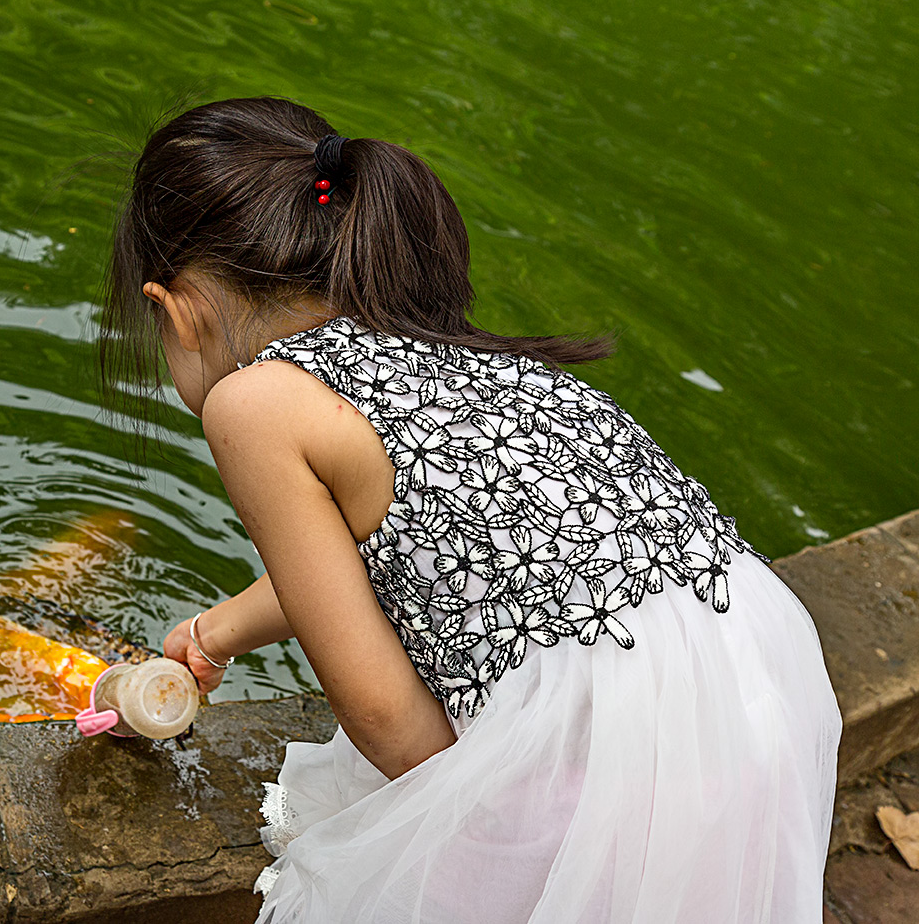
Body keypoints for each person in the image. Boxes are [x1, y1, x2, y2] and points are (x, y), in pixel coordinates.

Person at [98, 96, 841, 923]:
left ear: (175, 308)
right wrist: (214, 632)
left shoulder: (254, 403)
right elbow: (399, 559)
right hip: (748, 694)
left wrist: (458, 849)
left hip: (605, 762)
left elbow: (386, 717)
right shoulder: (444, 346)